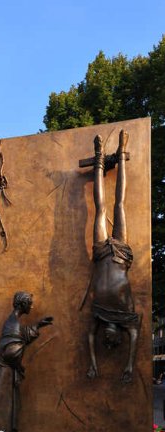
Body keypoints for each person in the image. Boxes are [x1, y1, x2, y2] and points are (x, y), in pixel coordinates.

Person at [87, 130, 140, 384]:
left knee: (101, 209)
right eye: (111, 341)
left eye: (104, 342)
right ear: (117, 335)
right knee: (118, 205)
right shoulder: (126, 316)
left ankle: (98, 158)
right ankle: (120, 152)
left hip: (101, 253)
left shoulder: (99, 315)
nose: (106, 340)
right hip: (120, 256)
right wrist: (129, 364)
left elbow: (89, 338)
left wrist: (93, 364)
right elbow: (135, 337)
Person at [0, 292, 53, 432]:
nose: (32, 306)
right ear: (23, 305)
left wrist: (38, 325)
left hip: (4, 372)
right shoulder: (13, 323)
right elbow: (11, 351)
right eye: (30, 303)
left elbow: (18, 337)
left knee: (4, 406)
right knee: (2, 407)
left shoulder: (13, 322)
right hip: (4, 373)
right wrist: (19, 365)